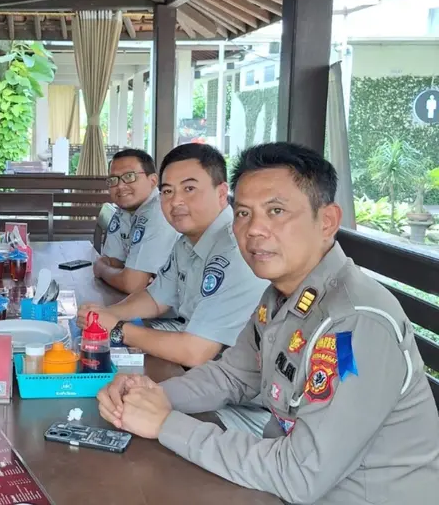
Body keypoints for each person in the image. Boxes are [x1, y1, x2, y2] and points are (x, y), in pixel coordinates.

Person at [97, 142, 439, 505]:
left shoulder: (356, 323)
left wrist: (166, 423)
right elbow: (231, 376)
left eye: (276, 211)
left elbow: (300, 475)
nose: (254, 229)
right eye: (244, 213)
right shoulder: (280, 296)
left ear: (327, 221)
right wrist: (151, 396)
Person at [78, 144, 267, 370]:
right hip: (192, 355)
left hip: (230, 377)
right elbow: (155, 298)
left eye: (189, 189)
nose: (176, 201)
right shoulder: (187, 240)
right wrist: (105, 315)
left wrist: (118, 328)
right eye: (168, 191)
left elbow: (195, 352)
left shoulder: (238, 250)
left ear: (221, 193)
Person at [95, 148, 178, 294]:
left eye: (129, 176)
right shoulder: (123, 211)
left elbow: (132, 284)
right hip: (144, 300)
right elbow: (113, 261)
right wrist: (119, 272)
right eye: (113, 180)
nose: (120, 186)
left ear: (153, 181)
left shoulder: (159, 213)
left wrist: (101, 269)